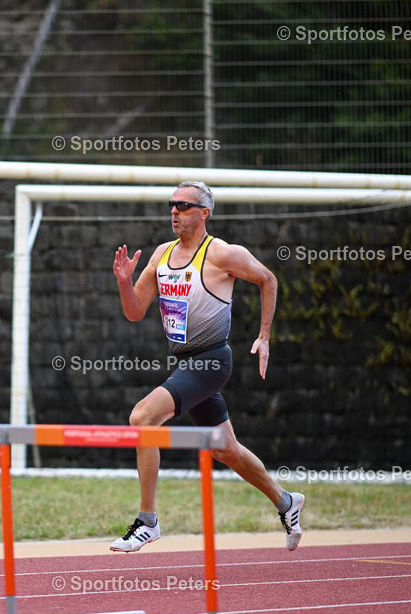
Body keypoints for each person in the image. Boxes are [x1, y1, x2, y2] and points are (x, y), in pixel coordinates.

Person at [110, 180, 304, 553]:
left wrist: (264, 336)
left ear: (204, 213)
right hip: (186, 362)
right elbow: (135, 312)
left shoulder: (221, 254)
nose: (174, 212)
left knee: (142, 418)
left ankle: (147, 521)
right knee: (224, 449)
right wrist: (124, 283)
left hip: (213, 360)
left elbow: (268, 279)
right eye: (171, 205)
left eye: (183, 206)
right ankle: (286, 501)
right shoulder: (161, 256)